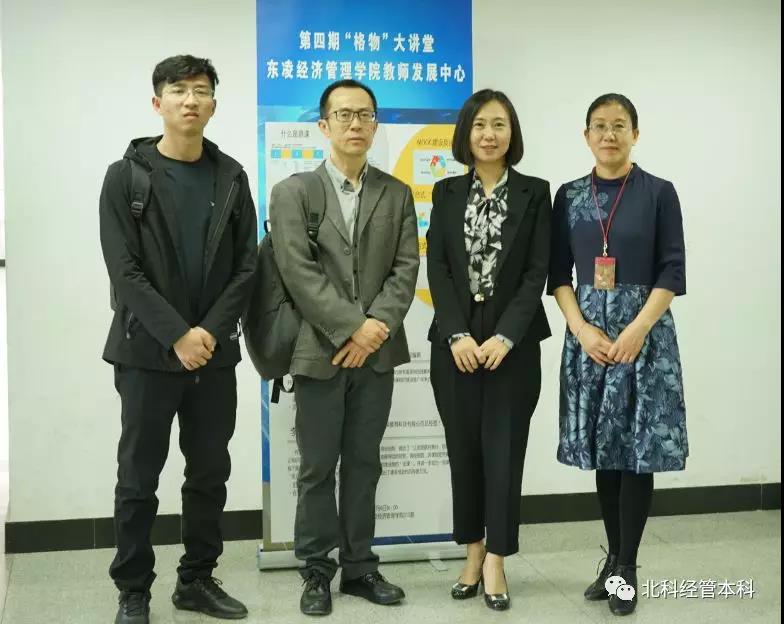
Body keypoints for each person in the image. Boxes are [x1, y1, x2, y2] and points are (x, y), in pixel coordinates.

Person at [99, 55, 257, 624]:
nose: (190, 99)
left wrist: (205, 335)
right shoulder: (126, 177)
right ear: (157, 102)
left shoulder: (231, 176)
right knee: (138, 478)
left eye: (201, 90)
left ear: (214, 104)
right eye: (178, 89)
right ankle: (133, 589)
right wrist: (178, 336)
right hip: (146, 353)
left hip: (213, 357)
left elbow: (247, 266)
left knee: (209, 473)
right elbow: (125, 271)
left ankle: (196, 580)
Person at [268, 79, 419, 616]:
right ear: (323, 125)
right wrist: (355, 327)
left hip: (376, 356)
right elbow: (297, 271)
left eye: (365, 115)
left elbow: (405, 269)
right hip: (318, 353)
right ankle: (316, 571)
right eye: (344, 115)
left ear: (375, 125)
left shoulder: (396, 193)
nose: (356, 124)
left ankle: (359, 568)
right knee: (316, 468)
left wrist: (375, 328)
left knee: (363, 464)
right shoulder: (293, 192)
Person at [548, 93, 689, 616]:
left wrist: (638, 329)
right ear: (586, 135)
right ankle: (612, 560)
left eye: (619, 125)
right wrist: (581, 328)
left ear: (635, 133)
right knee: (604, 451)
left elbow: (672, 268)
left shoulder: (659, 192)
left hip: (643, 337)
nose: (609, 135)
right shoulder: (569, 195)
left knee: (636, 451)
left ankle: (627, 567)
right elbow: (557, 273)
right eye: (600, 126)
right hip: (590, 338)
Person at [426, 89, 551, 611]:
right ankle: (472, 552)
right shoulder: (446, 191)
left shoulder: (535, 192)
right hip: (455, 344)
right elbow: (438, 267)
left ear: (511, 132)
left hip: (511, 345)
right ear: (466, 133)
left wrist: (505, 336)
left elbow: (536, 271)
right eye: (479, 125)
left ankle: (497, 558)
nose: (489, 134)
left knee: (504, 454)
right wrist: (456, 333)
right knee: (464, 452)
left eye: (499, 124)